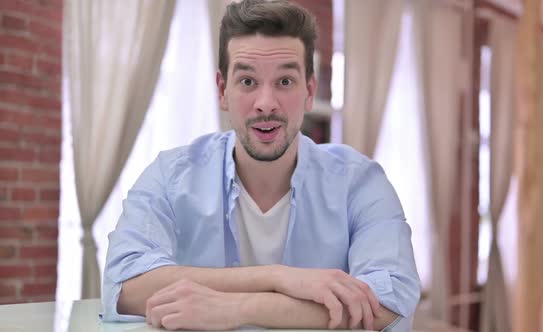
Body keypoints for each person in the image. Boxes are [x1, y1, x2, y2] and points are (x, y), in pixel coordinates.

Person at [101, 0, 420, 330]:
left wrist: (241, 307)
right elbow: (124, 286)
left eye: (285, 82)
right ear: (223, 90)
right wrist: (279, 278)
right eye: (248, 82)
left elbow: (390, 299)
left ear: (309, 91)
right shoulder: (171, 175)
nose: (266, 104)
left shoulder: (360, 182)